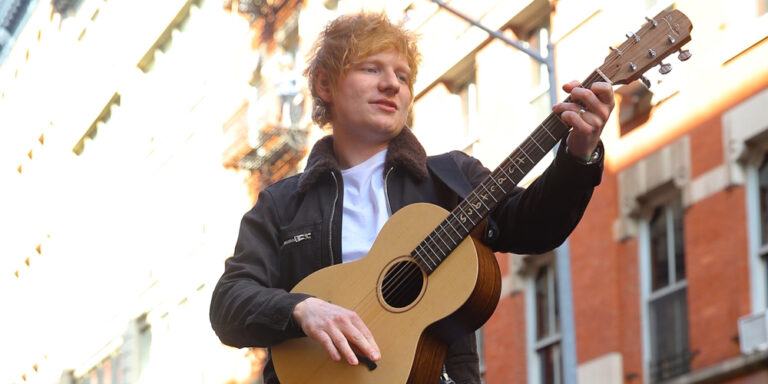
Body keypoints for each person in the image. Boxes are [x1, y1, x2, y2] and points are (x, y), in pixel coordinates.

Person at [209, 12, 614, 384]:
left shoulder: (451, 177)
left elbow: (536, 226)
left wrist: (579, 155)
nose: (392, 85)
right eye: (372, 69)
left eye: (403, 77)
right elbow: (229, 302)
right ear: (324, 85)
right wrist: (302, 309)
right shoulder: (282, 203)